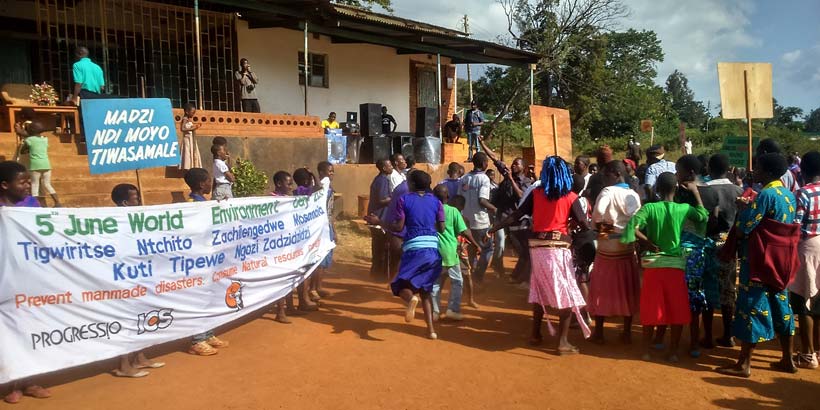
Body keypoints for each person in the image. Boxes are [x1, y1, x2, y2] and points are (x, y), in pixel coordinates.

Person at [490, 156, 591, 353]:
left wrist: (493, 229)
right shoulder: (571, 197)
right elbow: (583, 224)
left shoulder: (536, 193)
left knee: (539, 290)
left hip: (537, 249)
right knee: (567, 294)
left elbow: (516, 215)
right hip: (558, 250)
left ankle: (536, 334)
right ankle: (562, 342)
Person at [717, 153, 800, 377]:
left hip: (759, 259)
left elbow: (745, 226)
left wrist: (743, 207)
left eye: (760, 169)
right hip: (780, 259)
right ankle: (787, 359)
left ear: (770, 172)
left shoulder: (766, 195)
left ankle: (744, 364)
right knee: (782, 306)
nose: (756, 172)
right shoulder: (788, 195)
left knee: (750, 307)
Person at [622, 172, 708, 362]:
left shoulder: (650, 208)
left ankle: (646, 350)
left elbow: (632, 227)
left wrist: (648, 242)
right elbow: (703, 216)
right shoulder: (683, 208)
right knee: (676, 309)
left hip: (653, 266)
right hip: (676, 266)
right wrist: (695, 192)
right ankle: (674, 352)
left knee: (652, 307)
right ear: (675, 188)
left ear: (657, 189)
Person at [365, 171, 445, 339]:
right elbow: (442, 228)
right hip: (433, 250)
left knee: (399, 285)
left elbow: (399, 227)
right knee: (426, 291)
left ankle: (410, 300)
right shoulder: (436, 201)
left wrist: (379, 222)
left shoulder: (405, 199)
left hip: (415, 249)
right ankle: (431, 330)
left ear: (412, 185)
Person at [1, 161, 51, 404]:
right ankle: (12, 384)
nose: (27, 186)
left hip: (30, 279)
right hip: (4, 280)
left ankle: (30, 381)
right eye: (21, 182)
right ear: (4, 185)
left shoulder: (32, 205)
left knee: (31, 330)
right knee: (7, 334)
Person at [110, 184, 165, 377]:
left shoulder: (135, 219)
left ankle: (140, 357)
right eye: (136, 198)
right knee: (128, 319)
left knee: (142, 316)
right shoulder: (115, 222)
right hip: (125, 279)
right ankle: (124, 365)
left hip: (140, 275)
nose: (139, 201)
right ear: (125, 202)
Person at [588, 161, 642, 344]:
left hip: (607, 250)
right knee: (628, 289)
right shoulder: (633, 194)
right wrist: (622, 232)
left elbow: (597, 216)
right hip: (627, 249)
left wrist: (607, 232)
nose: (604, 178)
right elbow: (636, 221)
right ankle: (626, 332)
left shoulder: (607, 193)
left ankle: (599, 333)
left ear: (616, 174)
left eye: (606, 175)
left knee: (601, 289)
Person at [184, 167, 230, 355]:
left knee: (210, 296)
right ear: (202, 184)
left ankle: (208, 332)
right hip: (198, 259)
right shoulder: (192, 204)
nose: (212, 183)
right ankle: (196, 340)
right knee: (199, 299)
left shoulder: (204, 202)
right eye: (209, 180)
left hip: (209, 257)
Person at [703, 154, 744, 348]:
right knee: (729, 290)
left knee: (708, 287)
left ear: (709, 168)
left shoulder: (705, 190)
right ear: (728, 169)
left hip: (709, 242)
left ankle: (708, 335)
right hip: (730, 244)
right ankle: (728, 334)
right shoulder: (739, 190)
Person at [431, 185, 480, 321]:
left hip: (433, 251)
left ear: (434, 197)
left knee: (435, 283)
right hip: (449, 251)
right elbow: (465, 231)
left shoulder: (431, 210)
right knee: (457, 281)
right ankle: (452, 309)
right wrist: (476, 244)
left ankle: (434, 312)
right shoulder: (453, 211)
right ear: (448, 197)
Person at [791, 151, 820, 369]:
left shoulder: (803, 193)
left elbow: (797, 226)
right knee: (818, 299)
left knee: (803, 302)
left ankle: (808, 354)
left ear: (804, 171)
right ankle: (817, 351)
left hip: (808, 249)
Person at [460, 152, 496, 286]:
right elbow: (482, 200)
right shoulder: (484, 179)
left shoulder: (464, 178)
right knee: (487, 249)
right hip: (481, 221)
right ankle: (478, 277)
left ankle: (469, 277)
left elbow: (459, 199)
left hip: (466, 220)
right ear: (484, 164)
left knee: (471, 250)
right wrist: (495, 209)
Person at [269, 171, 294, 324]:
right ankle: (280, 310)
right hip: (276, 247)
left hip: (289, 244)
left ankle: (288, 306)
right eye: (288, 184)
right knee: (280, 278)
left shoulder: (288, 199)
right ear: (279, 184)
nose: (291, 187)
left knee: (289, 276)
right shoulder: (271, 201)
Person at [311, 161, 336, 301]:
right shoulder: (319, 188)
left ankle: (318, 287)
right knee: (319, 259)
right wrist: (315, 178)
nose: (331, 174)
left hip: (328, 226)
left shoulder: (329, 186)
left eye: (333, 171)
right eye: (329, 171)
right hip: (320, 227)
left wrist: (334, 230)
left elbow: (330, 211)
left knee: (326, 259)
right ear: (321, 173)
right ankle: (313, 289)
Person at [21, 121, 60, 207]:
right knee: (47, 184)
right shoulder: (45, 139)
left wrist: (28, 150)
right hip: (46, 164)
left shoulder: (29, 140)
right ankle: (57, 202)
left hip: (35, 165)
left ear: (31, 130)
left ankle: (35, 204)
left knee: (35, 185)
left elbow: (22, 151)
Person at [367, 159, 393, 280]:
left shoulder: (381, 179)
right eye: (389, 165)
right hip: (378, 218)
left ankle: (376, 273)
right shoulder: (382, 180)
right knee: (380, 248)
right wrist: (395, 197)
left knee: (379, 248)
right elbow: (381, 200)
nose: (392, 167)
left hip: (379, 217)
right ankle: (377, 275)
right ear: (383, 168)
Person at [179, 102, 203, 170]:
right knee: (188, 155)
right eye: (192, 112)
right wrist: (194, 128)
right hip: (187, 140)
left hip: (191, 139)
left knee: (192, 155)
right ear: (187, 112)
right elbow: (183, 128)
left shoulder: (189, 119)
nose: (193, 114)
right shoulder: (185, 119)